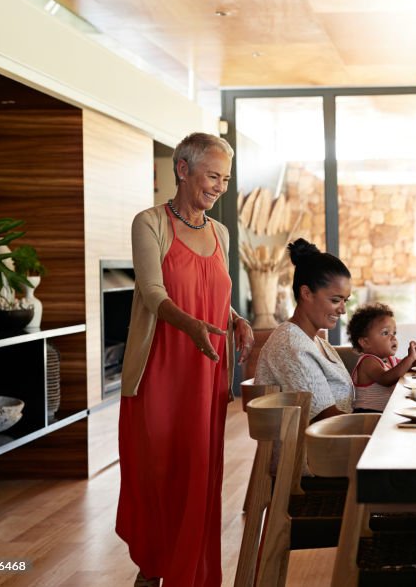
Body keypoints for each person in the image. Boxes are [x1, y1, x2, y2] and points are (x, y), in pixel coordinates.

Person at [116, 132, 254, 587]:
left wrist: (235, 318)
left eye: (226, 179)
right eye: (213, 175)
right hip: (161, 367)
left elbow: (212, 291)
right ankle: (153, 565)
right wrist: (192, 324)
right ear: (182, 169)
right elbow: (154, 293)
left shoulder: (221, 232)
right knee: (159, 468)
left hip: (206, 367)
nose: (220, 187)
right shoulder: (149, 223)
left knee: (198, 471)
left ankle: (187, 573)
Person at [254, 238, 355, 423]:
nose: (343, 310)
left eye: (345, 301)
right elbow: (327, 419)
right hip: (315, 449)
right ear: (306, 293)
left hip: (336, 442)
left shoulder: (314, 341)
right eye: (335, 300)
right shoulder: (292, 345)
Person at [346, 301, 416, 413]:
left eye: (394, 333)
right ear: (365, 342)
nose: (393, 337)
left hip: (383, 414)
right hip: (367, 416)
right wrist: (410, 358)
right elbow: (386, 379)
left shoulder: (389, 360)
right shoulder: (368, 361)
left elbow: (410, 365)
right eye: (385, 333)